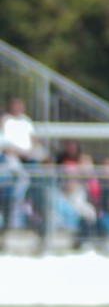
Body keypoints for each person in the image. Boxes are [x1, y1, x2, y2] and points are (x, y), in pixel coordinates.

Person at [2, 97, 43, 230]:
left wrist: (32, 152)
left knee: (37, 180)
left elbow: (34, 139)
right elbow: (4, 144)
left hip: (28, 159)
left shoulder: (26, 121)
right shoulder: (5, 120)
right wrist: (19, 152)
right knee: (17, 185)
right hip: (12, 158)